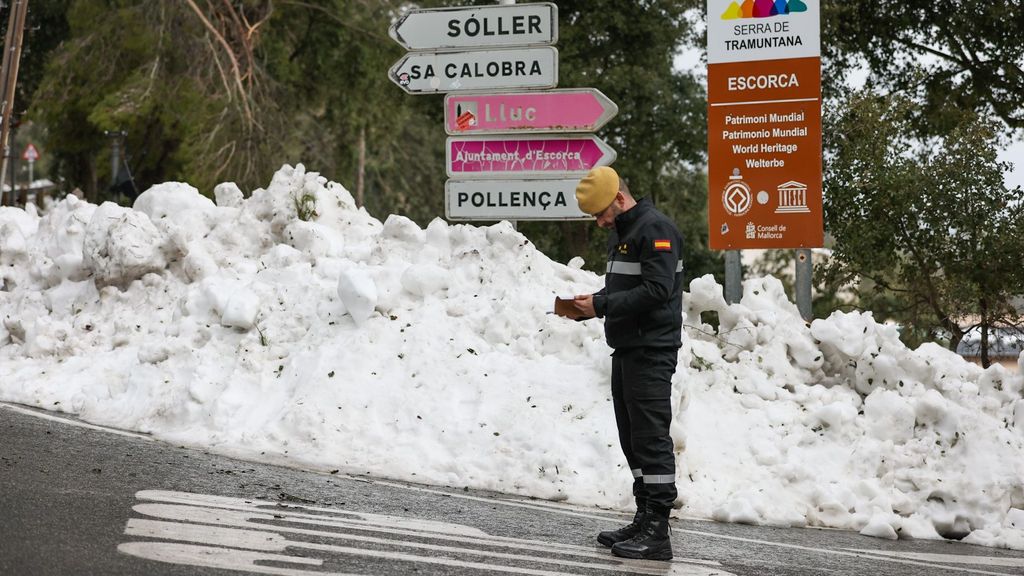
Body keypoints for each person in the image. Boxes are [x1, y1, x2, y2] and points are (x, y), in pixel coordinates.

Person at [557, 166, 684, 561]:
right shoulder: (623, 233)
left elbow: (657, 290)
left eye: (601, 214)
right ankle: (644, 516)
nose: (599, 223)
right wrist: (591, 303)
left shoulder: (655, 229)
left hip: (652, 349)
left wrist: (602, 305)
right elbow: (623, 288)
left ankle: (657, 532)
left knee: (651, 438)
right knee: (633, 439)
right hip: (628, 347)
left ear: (619, 197)